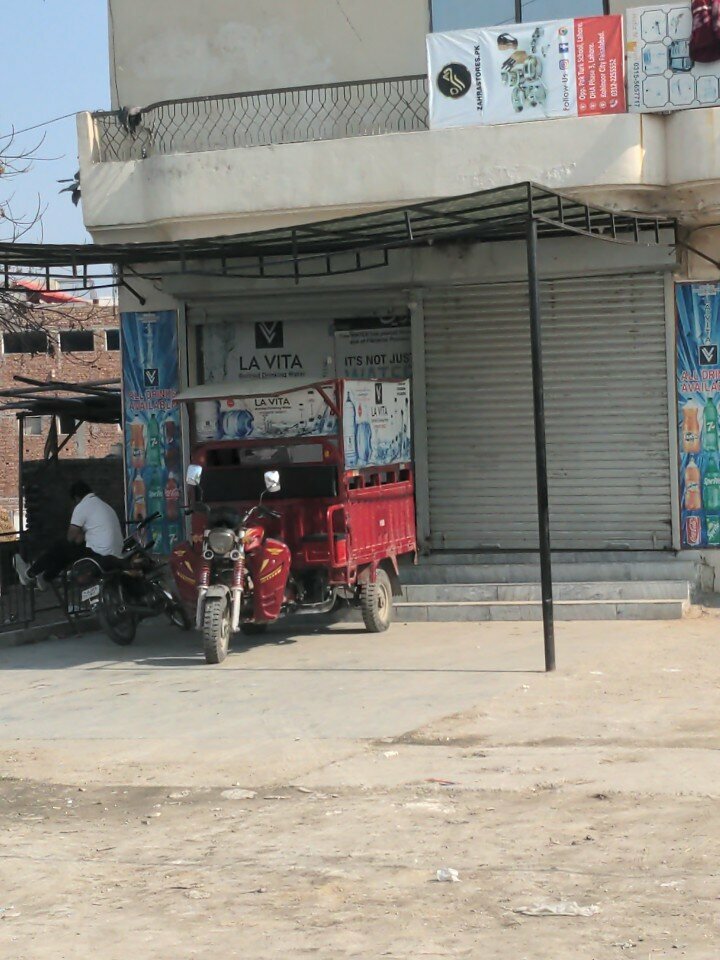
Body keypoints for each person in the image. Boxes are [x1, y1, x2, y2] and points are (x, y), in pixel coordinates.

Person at [14, 480, 124, 589]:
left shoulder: (83, 506)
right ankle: (45, 578)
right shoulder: (103, 505)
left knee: (60, 547)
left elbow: (71, 537)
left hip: (99, 553)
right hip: (114, 553)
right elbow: (84, 537)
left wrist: (77, 537)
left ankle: (29, 574)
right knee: (67, 553)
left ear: (76, 498)